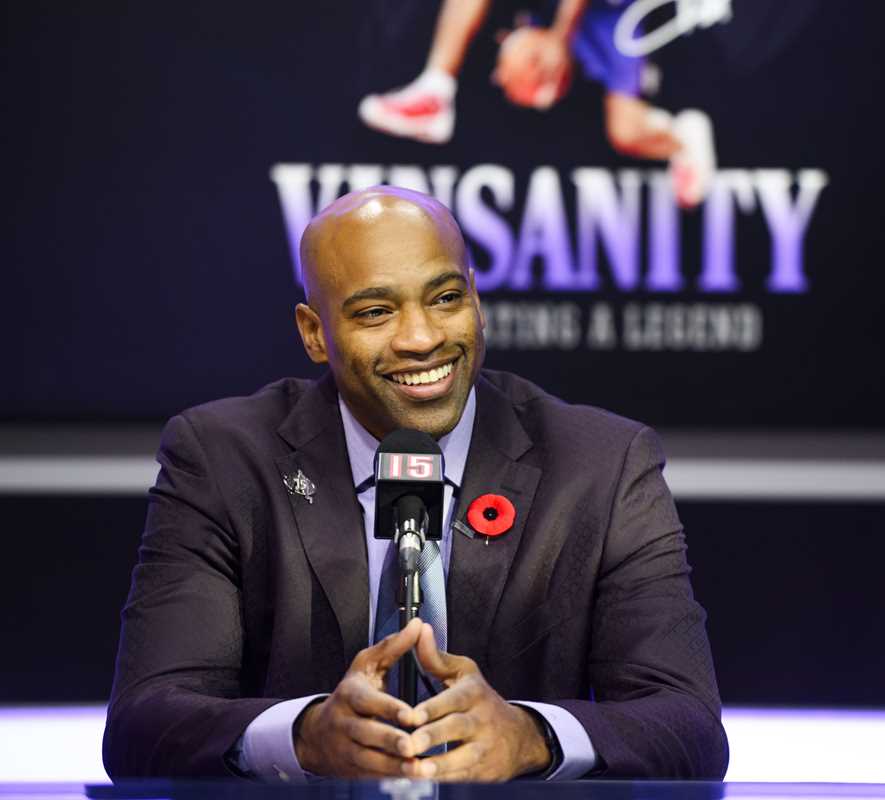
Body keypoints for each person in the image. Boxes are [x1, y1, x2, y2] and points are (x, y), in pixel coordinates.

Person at [102, 185, 728, 781]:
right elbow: (145, 721)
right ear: (314, 333)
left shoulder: (602, 464)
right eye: (376, 312)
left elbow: (687, 724)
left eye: (446, 298)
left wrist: (531, 737)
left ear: (476, 301)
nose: (422, 339)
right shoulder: (223, 459)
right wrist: (305, 735)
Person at [356, 0, 717, 207]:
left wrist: (560, 38)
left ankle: (681, 137)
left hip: (612, 14)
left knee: (626, 132)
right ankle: (435, 91)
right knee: (522, 66)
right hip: (547, 19)